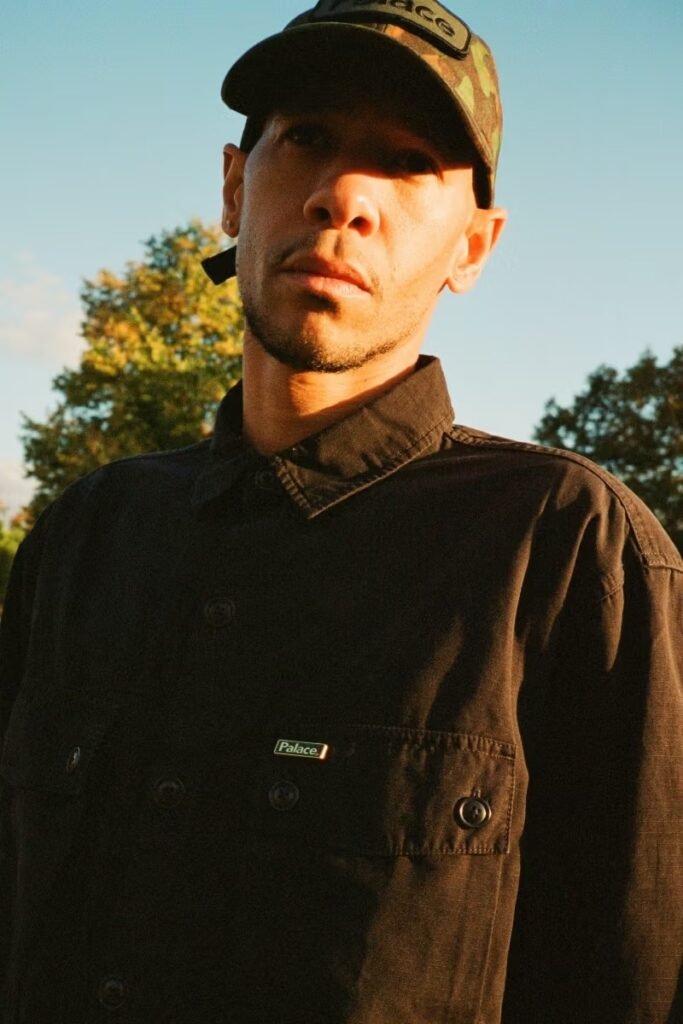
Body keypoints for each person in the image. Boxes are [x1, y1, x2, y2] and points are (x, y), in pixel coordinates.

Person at [1, 2, 681, 1022]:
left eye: (407, 163)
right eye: (308, 138)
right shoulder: (88, 534)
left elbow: (632, 977)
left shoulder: (572, 549)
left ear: (473, 246)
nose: (342, 196)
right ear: (234, 189)